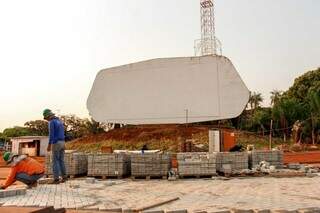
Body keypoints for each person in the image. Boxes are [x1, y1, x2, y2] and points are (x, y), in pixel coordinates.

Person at [43, 109, 67, 184]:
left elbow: (51, 135)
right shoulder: (59, 121)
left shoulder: (51, 122)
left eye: (46, 118)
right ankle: (64, 177)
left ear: (48, 116)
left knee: (55, 161)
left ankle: (56, 179)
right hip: (63, 142)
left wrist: (49, 145)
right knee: (61, 160)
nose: (47, 120)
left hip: (56, 143)